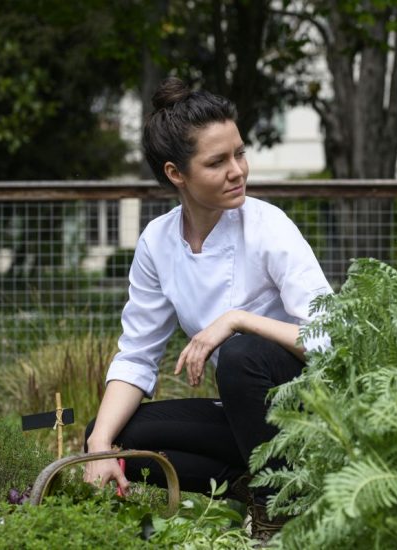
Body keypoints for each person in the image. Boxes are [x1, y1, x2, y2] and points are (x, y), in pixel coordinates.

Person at [83, 77, 332, 538]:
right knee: (115, 435)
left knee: (241, 352)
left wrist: (236, 320)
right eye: (217, 162)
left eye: (239, 153)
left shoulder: (268, 226)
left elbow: (332, 339)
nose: (238, 170)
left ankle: (279, 512)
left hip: (312, 413)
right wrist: (99, 447)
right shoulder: (157, 242)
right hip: (249, 421)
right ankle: (251, 483)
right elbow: (137, 356)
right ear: (177, 173)